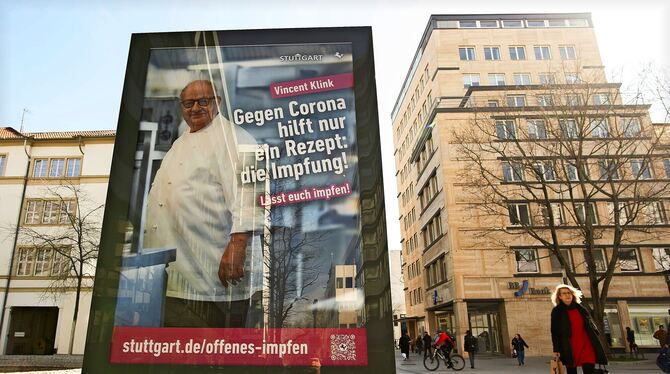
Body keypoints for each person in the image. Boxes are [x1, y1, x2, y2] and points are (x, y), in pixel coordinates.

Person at [145, 79, 261, 327]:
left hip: (211, 274)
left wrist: (238, 246)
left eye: (203, 101)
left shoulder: (237, 138)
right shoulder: (180, 142)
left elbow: (251, 195)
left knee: (210, 352)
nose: (195, 108)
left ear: (217, 103)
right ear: (181, 107)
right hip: (176, 270)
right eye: (188, 103)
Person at [551, 284, 607, 374]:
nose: (567, 295)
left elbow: (590, 324)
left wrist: (595, 333)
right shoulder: (557, 311)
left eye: (569, 293)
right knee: (571, 371)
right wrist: (556, 349)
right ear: (560, 297)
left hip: (586, 344)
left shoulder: (581, 309)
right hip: (569, 346)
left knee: (589, 368)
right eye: (564, 293)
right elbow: (555, 332)